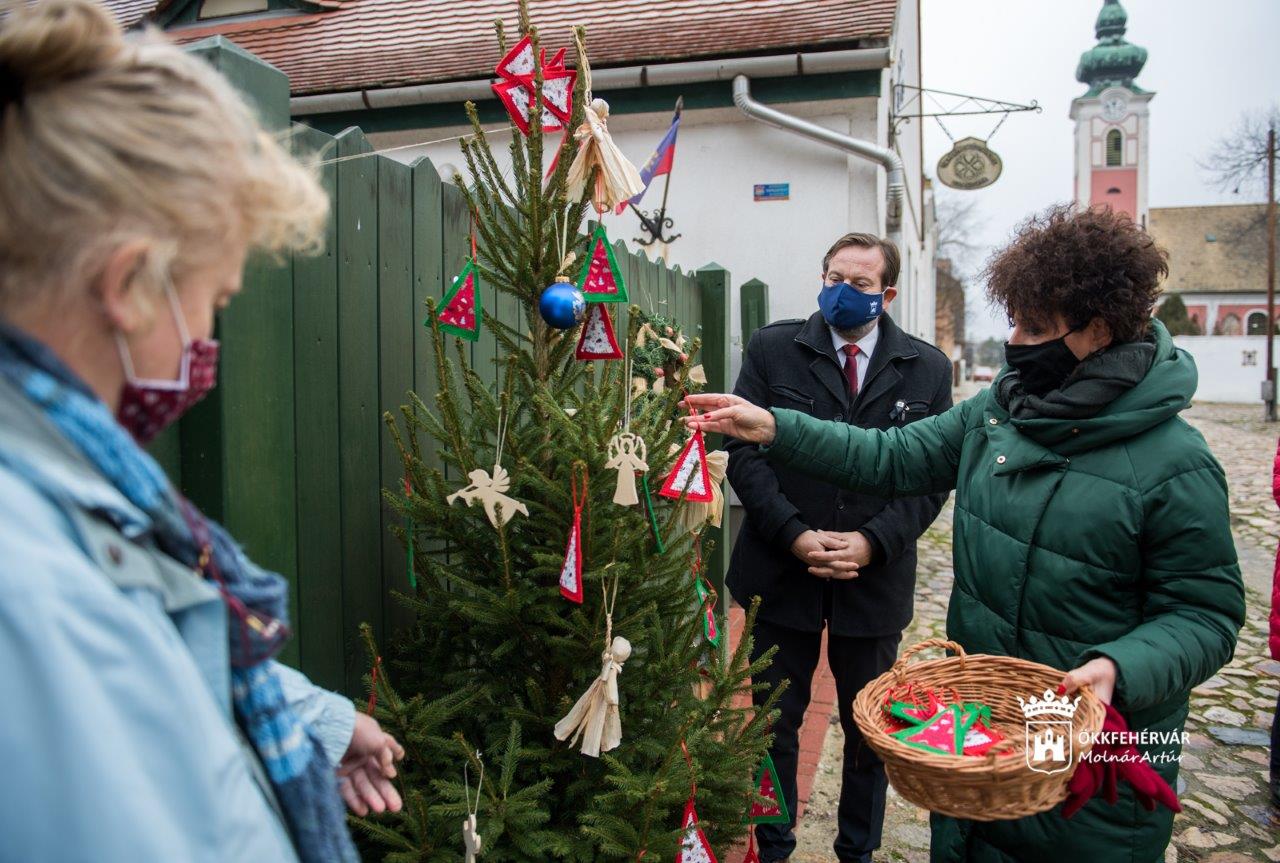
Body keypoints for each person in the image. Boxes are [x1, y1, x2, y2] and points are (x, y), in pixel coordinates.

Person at [688, 205, 1245, 862]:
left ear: (1097, 331)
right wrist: (779, 428)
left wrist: (1120, 668)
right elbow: (894, 457)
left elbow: (1205, 613)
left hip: (1087, 736)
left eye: (1033, 326)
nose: (1013, 340)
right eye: (1011, 319)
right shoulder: (1002, 409)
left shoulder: (1176, 463)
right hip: (979, 737)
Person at [0, 2, 402, 860]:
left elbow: (144, 665)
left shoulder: (70, 495)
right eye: (213, 301)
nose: (206, 345)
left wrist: (304, 726)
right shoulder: (30, 584)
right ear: (129, 283)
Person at [727, 232, 953, 863]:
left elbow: (933, 475)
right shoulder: (776, 348)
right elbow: (745, 453)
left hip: (872, 580)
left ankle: (857, 850)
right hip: (780, 567)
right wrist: (793, 533)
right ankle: (772, 846)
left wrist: (872, 542)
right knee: (774, 722)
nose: (842, 292)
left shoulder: (927, 368)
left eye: (859, 283)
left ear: (887, 293)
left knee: (869, 731)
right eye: (833, 278)